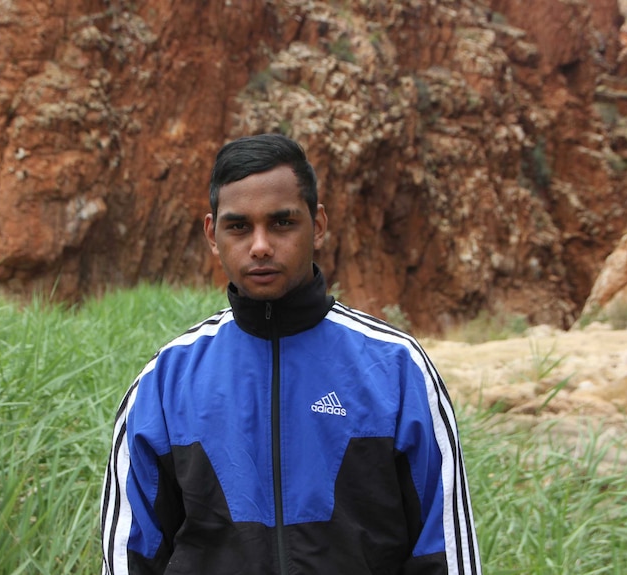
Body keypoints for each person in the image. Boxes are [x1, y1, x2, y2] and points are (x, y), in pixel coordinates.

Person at [100, 133, 481, 575]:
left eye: (282, 223)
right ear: (212, 233)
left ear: (317, 225)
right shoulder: (165, 382)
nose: (260, 245)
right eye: (239, 226)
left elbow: (446, 554)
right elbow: (130, 559)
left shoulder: (396, 368)